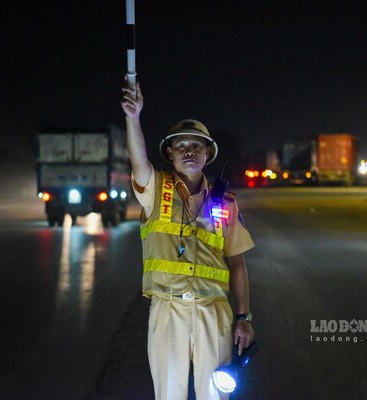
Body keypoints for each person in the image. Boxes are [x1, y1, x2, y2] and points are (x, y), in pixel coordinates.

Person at [121, 80, 255, 400]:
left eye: (197, 145)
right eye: (181, 145)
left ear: (208, 153)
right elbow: (139, 162)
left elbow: (237, 264)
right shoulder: (155, 191)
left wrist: (244, 317)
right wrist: (133, 117)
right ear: (169, 153)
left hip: (214, 313)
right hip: (167, 311)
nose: (190, 151)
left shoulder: (226, 204)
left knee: (216, 395)